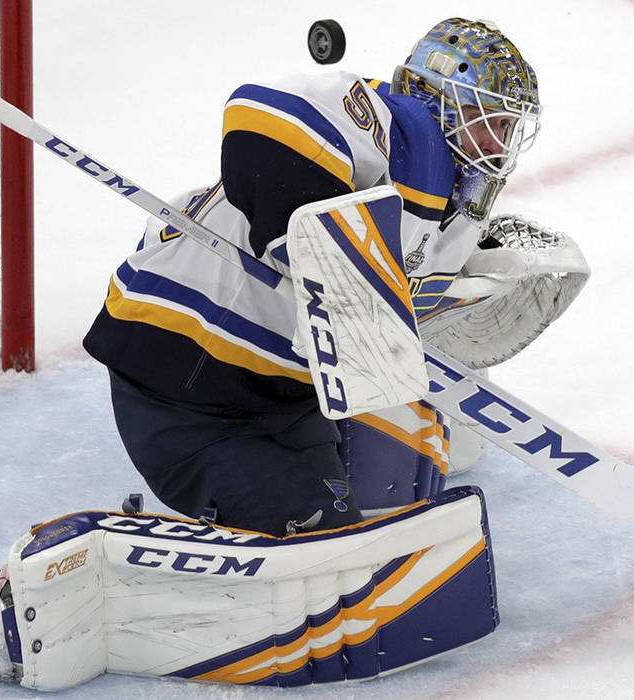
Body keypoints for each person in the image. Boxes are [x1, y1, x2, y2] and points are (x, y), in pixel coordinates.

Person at [82, 17, 543, 537]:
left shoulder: (460, 202)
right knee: (334, 555)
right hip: (182, 390)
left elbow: (393, 312)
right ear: (442, 101)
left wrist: (478, 286)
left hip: (287, 403)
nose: (500, 146)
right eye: (492, 122)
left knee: (374, 523)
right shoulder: (390, 125)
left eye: (509, 129)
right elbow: (259, 117)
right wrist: (299, 235)